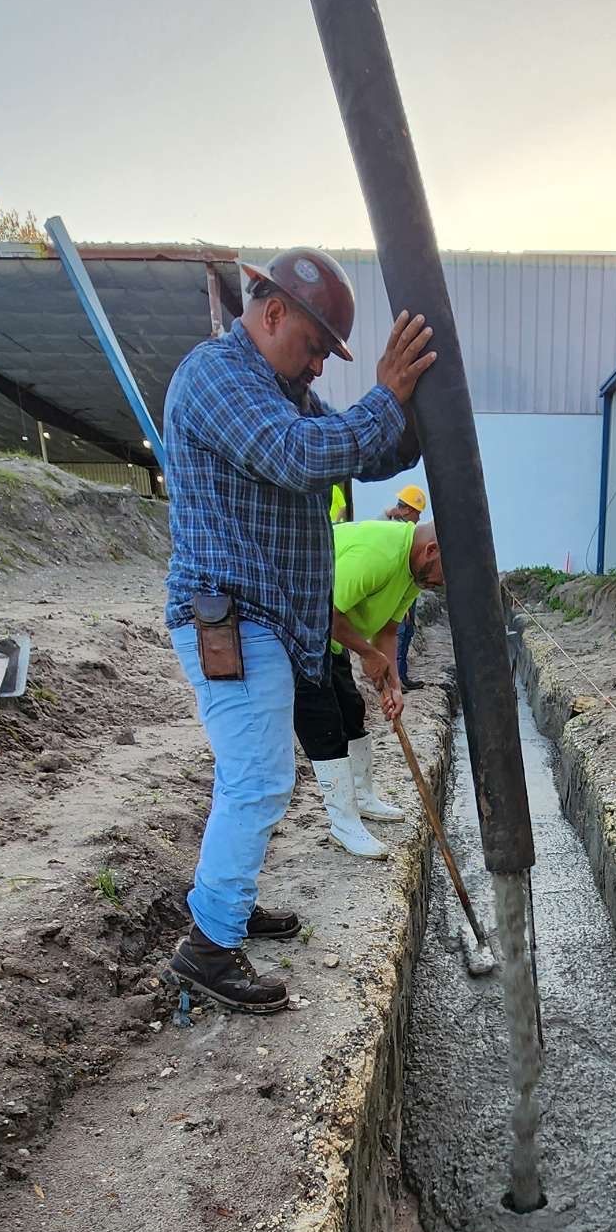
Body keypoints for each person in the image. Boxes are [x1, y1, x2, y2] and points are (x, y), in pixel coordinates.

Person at [161, 247, 435, 1014]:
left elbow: (365, 444)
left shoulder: (277, 389)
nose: (318, 367)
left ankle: (230, 906)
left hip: (263, 622)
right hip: (230, 618)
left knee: (248, 778)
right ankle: (207, 953)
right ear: (273, 311)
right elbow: (300, 456)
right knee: (258, 782)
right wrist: (385, 395)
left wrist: (416, 412)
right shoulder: (218, 376)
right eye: (316, 347)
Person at [294, 519, 444, 857]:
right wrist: (366, 653)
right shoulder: (379, 554)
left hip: (328, 639)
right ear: (430, 551)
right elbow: (324, 610)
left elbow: (388, 630)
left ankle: (362, 797)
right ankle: (344, 823)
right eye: (442, 576)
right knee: (324, 722)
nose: (439, 585)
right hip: (298, 632)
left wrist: (392, 684)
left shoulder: (413, 574)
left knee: (351, 709)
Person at [382, 485, 429, 686]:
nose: (419, 518)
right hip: (398, 590)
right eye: (417, 513)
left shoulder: (406, 530)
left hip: (408, 589)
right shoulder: (395, 531)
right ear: (409, 510)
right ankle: (397, 680)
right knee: (400, 633)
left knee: (406, 632)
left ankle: (402, 677)